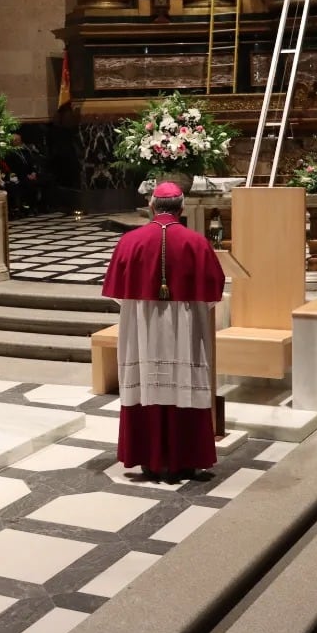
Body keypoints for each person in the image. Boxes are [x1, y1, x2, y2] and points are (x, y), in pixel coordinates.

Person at [102, 181, 225, 483]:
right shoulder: (197, 242)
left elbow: (119, 295)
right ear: (182, 208)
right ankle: (187, 459)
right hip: (185, 330)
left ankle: (149, 459)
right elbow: (212, 294)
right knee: (185, 385)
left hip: (142, 331)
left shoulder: (130, 241)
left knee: (146, 386)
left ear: (151, 206)